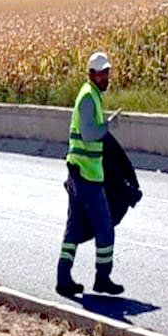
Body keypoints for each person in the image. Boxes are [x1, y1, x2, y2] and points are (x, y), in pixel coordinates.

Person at [56, 51, 124, 297]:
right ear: (91, 74)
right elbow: (89, 134)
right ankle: (102, 279)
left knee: (74, 228)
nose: (105, 76)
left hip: (79, 173)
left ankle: (63, 279)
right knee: (105, 227)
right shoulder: (88, 98)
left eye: (107, 72)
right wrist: (109, 126)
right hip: (87, 176)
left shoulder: (92, 95)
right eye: (101, 72)